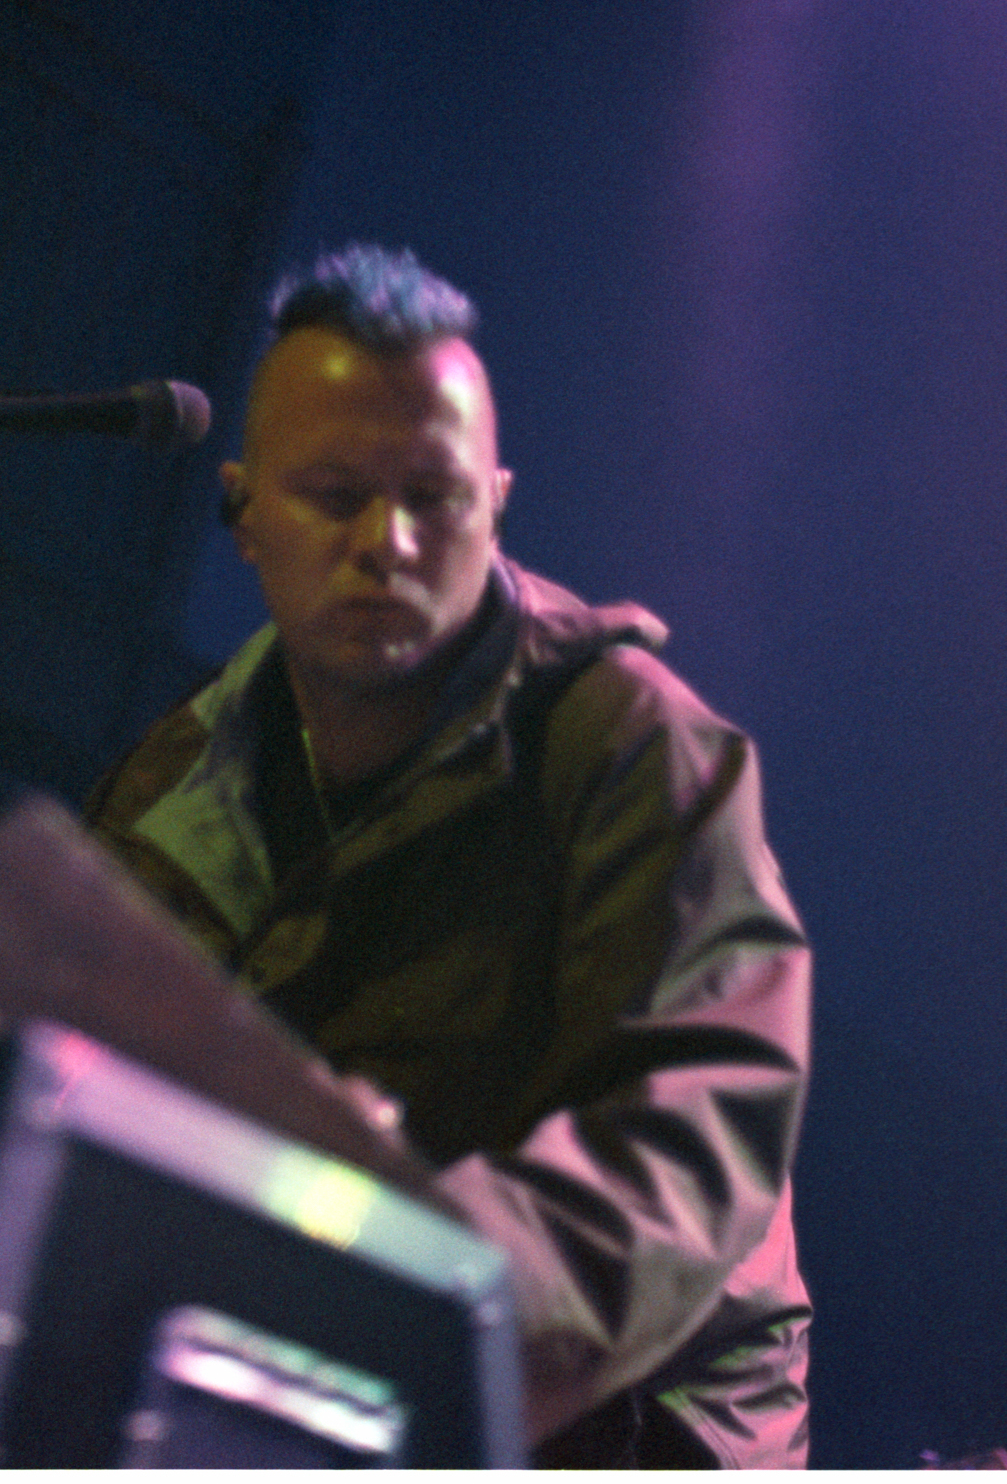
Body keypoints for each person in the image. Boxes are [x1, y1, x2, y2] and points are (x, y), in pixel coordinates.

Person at [84, 245, 812, 1467]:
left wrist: (403, 1274)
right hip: (336, 1367)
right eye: (333, 494)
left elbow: (693, 1139)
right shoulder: (166, 789)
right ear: (243, 511)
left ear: (496, 502)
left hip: (635, 1427)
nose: (387, 541)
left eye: (433, 497)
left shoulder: (635, 748)